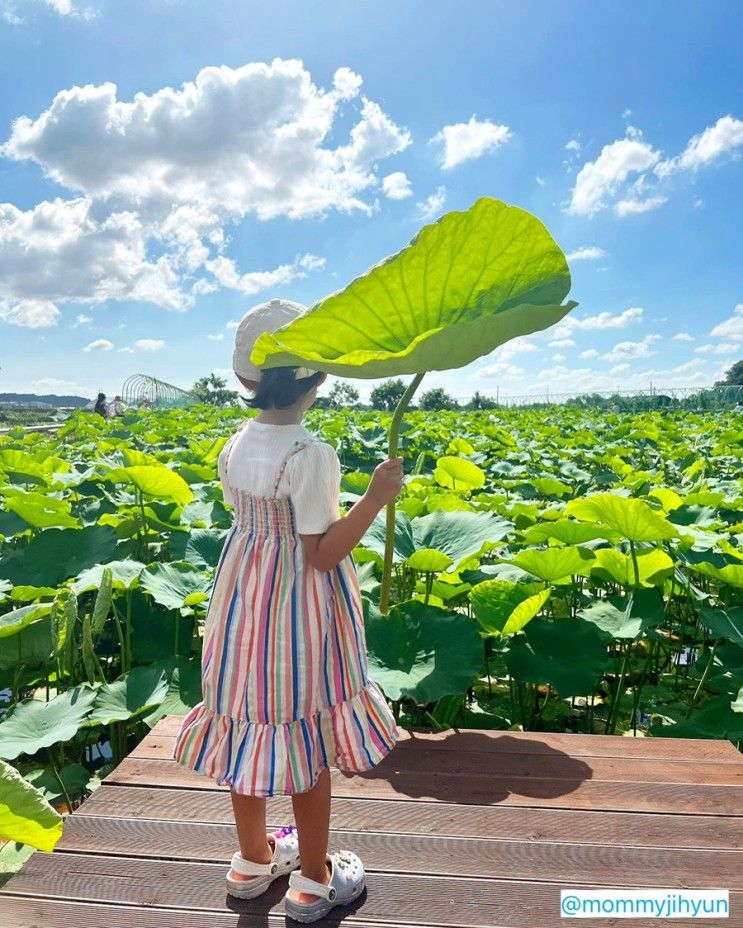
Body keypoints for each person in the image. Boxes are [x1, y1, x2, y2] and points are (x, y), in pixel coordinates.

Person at [173, 298, 401, 922]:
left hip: (242, 601)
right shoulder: (311, 455)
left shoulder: (235, 443)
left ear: (244, 380)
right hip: (297, 615)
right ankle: (314, 880)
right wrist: (376, 499)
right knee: (304, 738)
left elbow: (256, 524)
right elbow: (323, 554)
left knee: (246, 723)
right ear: (320, 376)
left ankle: (250, 861)